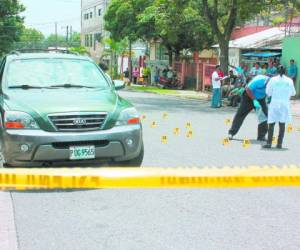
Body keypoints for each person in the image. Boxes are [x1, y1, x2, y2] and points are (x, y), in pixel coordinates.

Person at [263, 66, 296, 149]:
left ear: (277, 71)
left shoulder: (273, 80)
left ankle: (269, 143)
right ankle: (279, 144)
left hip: (274, 103)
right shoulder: (289, 80)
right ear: (285, 71)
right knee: (282, 124)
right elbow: (293, 93)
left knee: (271, 123)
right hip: (284, 104)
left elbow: (268, 92)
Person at [228, 74, 270, 140]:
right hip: (248, 97)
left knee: (264, 116)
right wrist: (254, 100)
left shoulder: (273, 84)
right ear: (267, 81)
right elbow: (247, 89)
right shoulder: (259, 80)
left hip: (261, 99)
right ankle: (231, 133)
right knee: (240, 114)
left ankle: (261, 136)